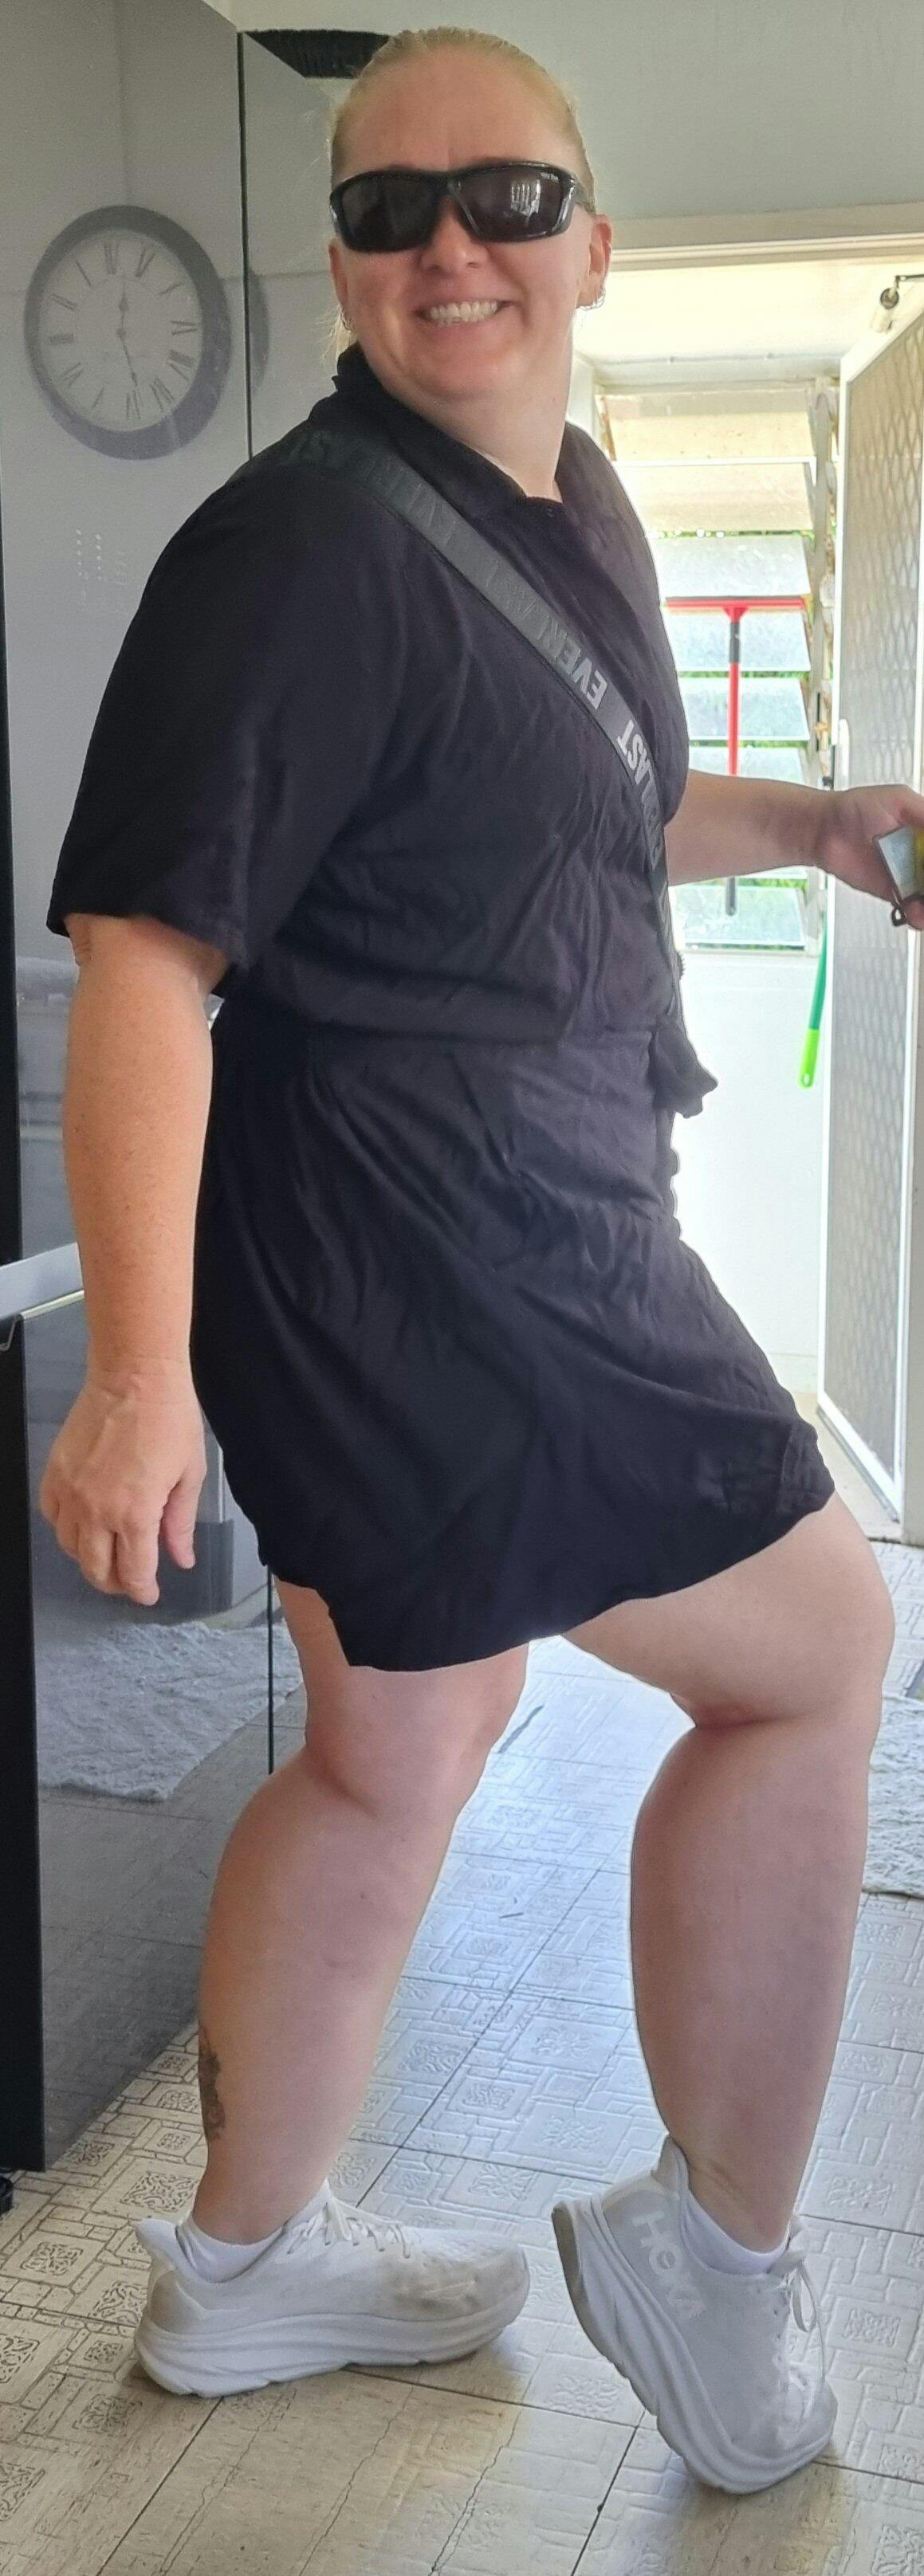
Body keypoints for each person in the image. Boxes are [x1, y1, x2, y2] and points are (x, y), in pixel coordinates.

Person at [40, 22, 924, 2496]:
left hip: (479, 1223)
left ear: (591, 244)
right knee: (817, 1654)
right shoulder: (296, 552)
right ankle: (718, 2268)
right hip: (445, 1253)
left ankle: (240, 2271)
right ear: (340, 261)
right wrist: (136, 1371)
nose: (454, 245)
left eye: (509, 198)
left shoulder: (569, 504)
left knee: (404, 1744)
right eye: (392, 206)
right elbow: (147, 958)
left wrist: (817, 828)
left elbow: (592, 805)